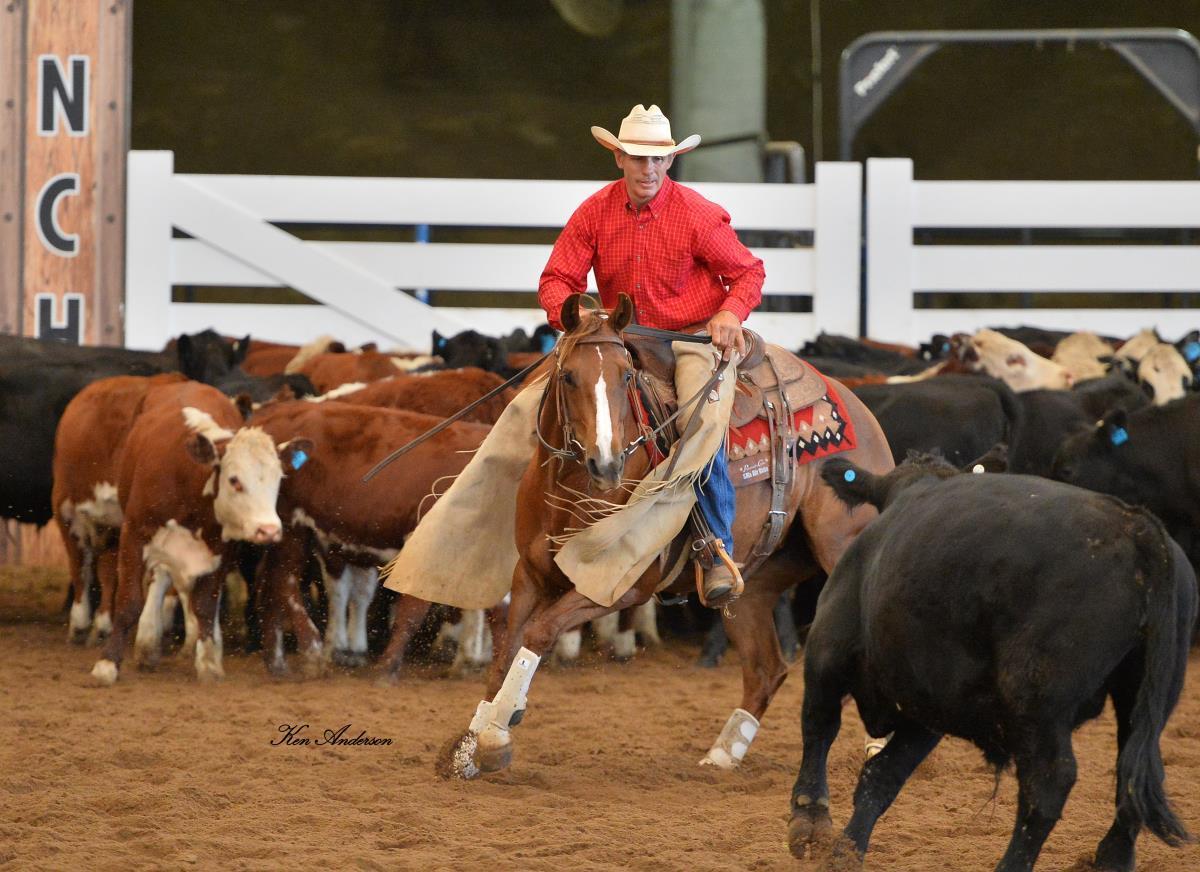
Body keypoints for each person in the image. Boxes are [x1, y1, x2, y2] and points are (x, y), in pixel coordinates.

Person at [538, 103, 765, 606]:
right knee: (540, 404)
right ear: (618, 158)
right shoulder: (594, 212)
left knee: (700, 420)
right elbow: (557, 279)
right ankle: (526, 524)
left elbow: (748, 272)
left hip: (691, 337)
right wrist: (575, 316)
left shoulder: (696, 213)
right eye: (638, 158)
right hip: (618, 338)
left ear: (670, 161)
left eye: (658, 159)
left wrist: (730, 313)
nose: (649, 169)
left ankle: (714, 546)